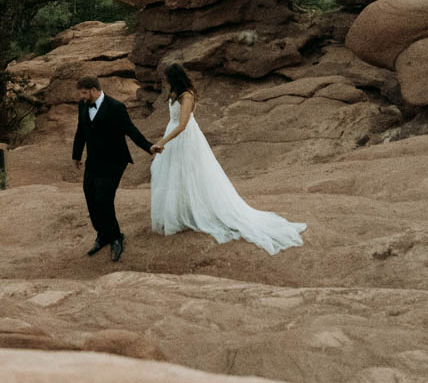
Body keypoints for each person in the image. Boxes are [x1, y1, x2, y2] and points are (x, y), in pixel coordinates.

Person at [149, 62, 306, 254]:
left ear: (174, 78)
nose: (164, 81)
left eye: (166, 78)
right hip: (174, 135)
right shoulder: (174, 93)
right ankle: (182, 212)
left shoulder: (186, 95)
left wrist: (163, 141)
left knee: (190, 173)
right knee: (174, 174)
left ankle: (195, 212)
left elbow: (182, 125)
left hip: (184, 138)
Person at [72, 75, 159, 262]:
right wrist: (76, 155)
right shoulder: (83, 105)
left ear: (94, 90)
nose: (82, 97)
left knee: (104, 199)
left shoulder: (116, 107)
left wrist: (149, 147)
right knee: (90, 197)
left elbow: (131, 130)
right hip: (93, 161)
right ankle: (102, 235)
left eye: (84, 93)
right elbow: (81, 130)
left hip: (114, 161)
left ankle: (116, 237)